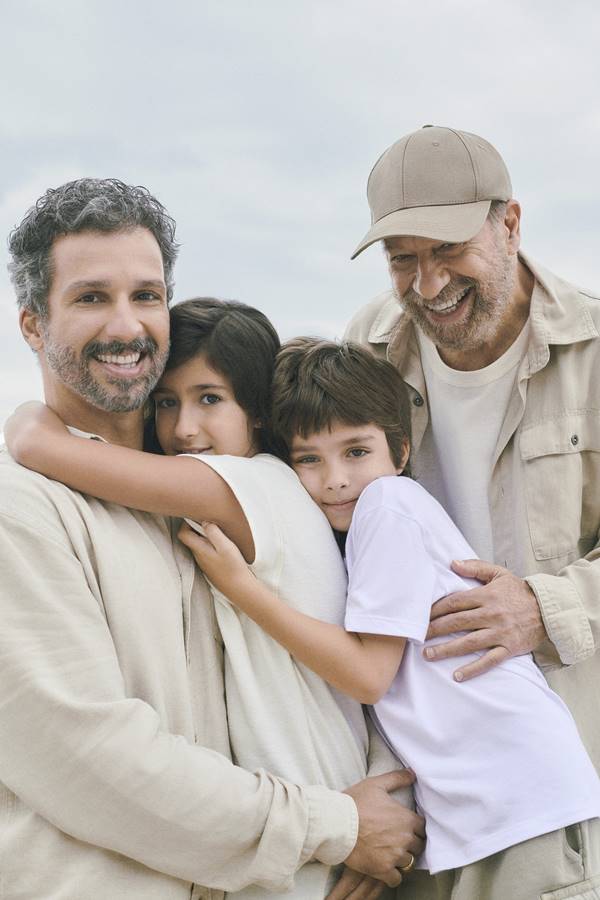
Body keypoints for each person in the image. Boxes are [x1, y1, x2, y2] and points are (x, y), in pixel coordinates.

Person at [0, 178, 423, 899]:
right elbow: (90, 760)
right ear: (34, 326)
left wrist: (386, 802)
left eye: (147, 294)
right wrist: (336, 825)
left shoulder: (209, 495)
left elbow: (359, 662)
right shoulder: (23, 510)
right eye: (91, 297)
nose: (127, 325)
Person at [168, 337, 600, 900]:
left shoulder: (387, 506)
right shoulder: (360, 533)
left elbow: (370, 676)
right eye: (309, 459)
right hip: (475, 815)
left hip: (521, 805)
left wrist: (243, 590)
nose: (335, 479)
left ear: (399, 452)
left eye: (355, 451)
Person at [343, 124, 600, 891]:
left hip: (552, 783)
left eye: (447, 249)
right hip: (418, 788)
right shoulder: (364, 349)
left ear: (510, 223)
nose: (427, 285)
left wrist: (544, 606)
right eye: (403, 258)